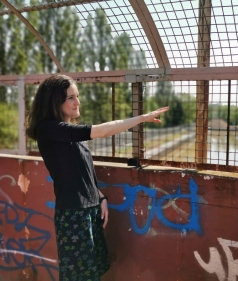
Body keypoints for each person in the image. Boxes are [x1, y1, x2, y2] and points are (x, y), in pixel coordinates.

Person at [26, 74, 169, 281]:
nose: (77, 102)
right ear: (54, 101)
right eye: (70, 98)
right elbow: (102, 131)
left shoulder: (67, 132)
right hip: (74, 214)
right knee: (80, 276)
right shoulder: (48, 129)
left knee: (92, 272)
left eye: (77, 96)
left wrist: (99, 197)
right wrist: (141, 118)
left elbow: (80, 173)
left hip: (89, 210)